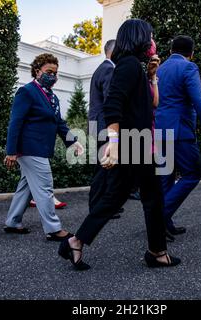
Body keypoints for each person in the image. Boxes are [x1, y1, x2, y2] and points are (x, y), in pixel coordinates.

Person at [58, 19, 181, 271]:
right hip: (132, 144)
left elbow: (152, 105)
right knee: (130, 197)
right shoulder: (128, 66)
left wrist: (153, 76)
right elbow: (113, 105)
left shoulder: (135, 67)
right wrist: (114, 144)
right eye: (150, 35)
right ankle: (78, 240)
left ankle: (78, 241)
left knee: (137, 197)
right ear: (139, 38)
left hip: (140, 144)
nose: (152, 41)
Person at [4, 53, 84, 239]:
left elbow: (59, 123)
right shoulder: (27, 92)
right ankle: (53, 229)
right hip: (30, 149)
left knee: (27, 187)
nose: (53, 76)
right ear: (37, 71)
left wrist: (73, 141)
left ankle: (13, 222)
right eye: (49, 72)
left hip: (40, 149)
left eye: (55, 73)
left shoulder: (52, 97)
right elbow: (15, 122)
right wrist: (11, 151)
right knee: (46, 187)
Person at [155, 35, 201, 239]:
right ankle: (159, 219)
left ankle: (164, 224)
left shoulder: (159, 69)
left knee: (166, 178)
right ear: (191, 53)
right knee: (192, 174)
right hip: (180, 131)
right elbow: (199, 101)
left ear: (172, 49)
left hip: (159, 129)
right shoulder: (189, 68)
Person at [88, 39, 122, 220]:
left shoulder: (100, 69)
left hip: (96, 124)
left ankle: (105, 206)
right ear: (112, 51)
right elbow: (111, 101)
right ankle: (96, 207)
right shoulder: (109, 69)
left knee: (104, 167)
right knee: (102, 168)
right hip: (103, 125)